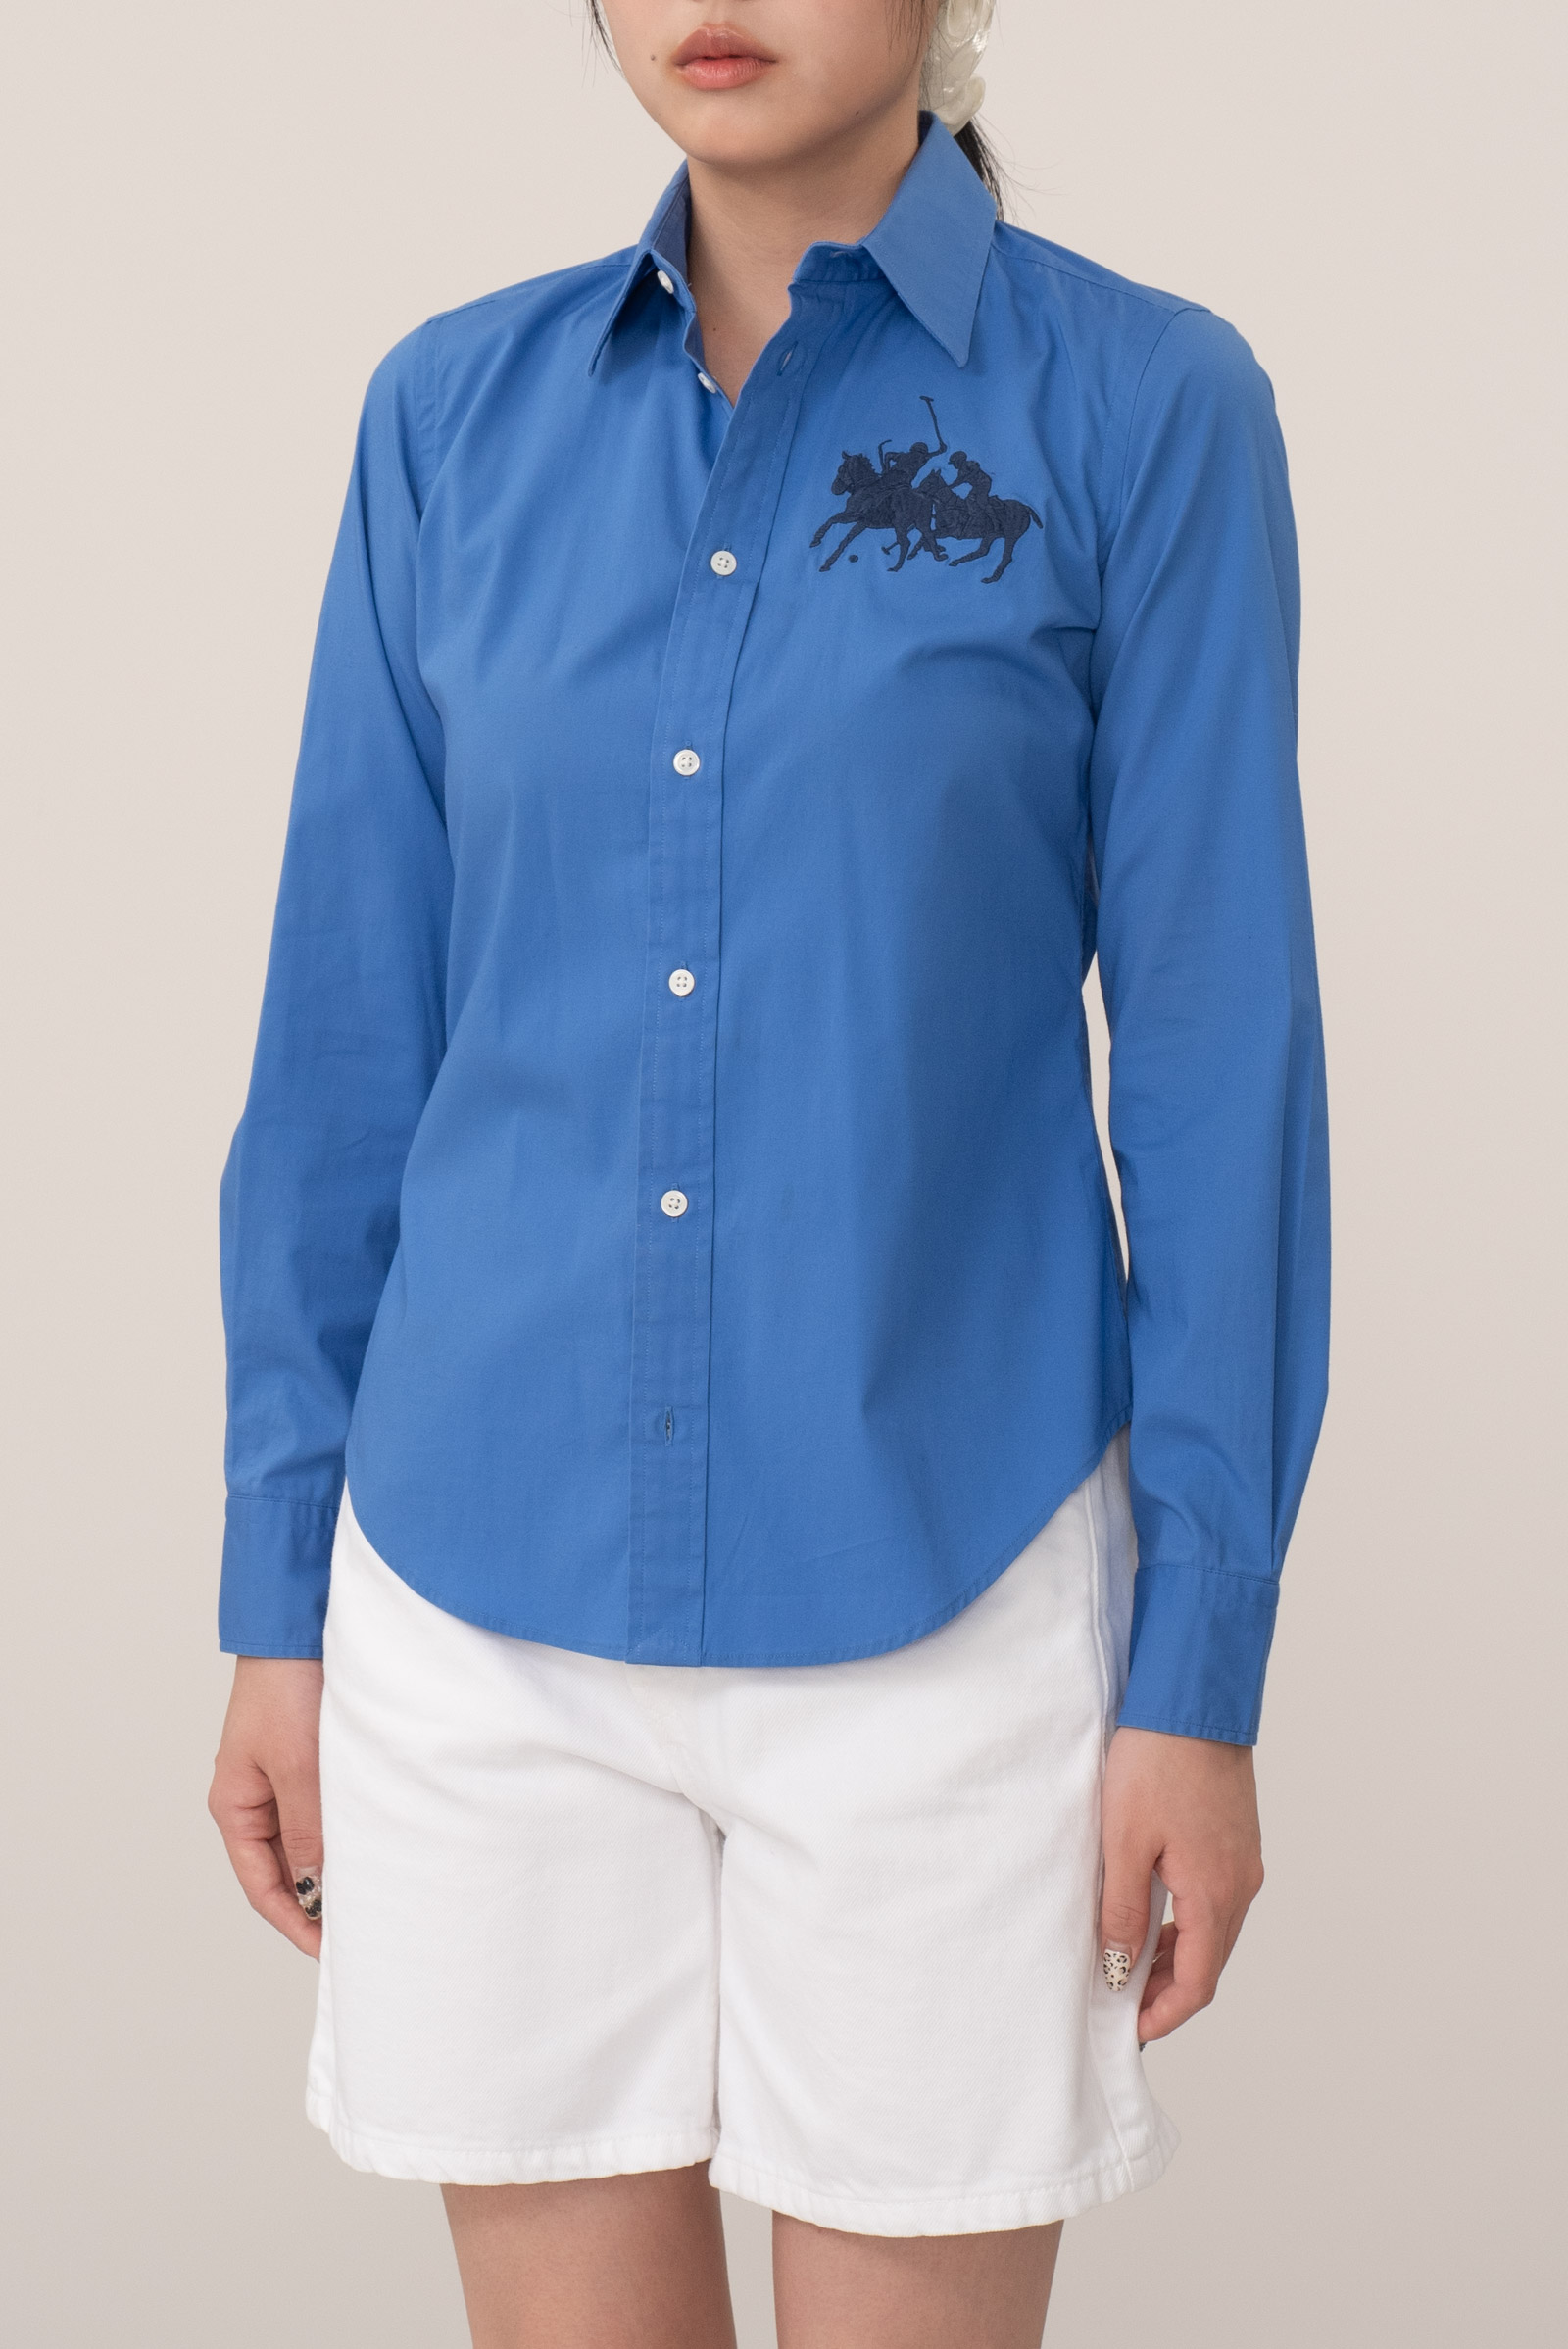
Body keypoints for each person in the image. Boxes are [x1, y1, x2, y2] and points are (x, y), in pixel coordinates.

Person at [207, 4, 1329, 2343]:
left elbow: (1218, 1070)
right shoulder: (448, 417)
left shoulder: (1142, 406)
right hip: (475, 1597)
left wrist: (1198, 1666)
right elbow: (342, 1044)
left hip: (949, 1579)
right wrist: (277, 1597)